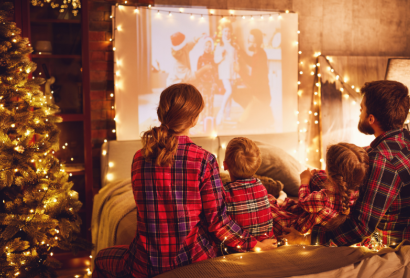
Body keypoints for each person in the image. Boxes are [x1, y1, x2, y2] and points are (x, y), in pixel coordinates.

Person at [93, 84, 277, 278]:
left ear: (161, 114)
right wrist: (255, 244)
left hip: (144, 264)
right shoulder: (204, 160)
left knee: (102, 258)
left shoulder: (139, 157)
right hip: (194, 262)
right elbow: (218, 222)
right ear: (194, 119)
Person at [284, 80, 410, 247]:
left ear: (371, 119)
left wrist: (307, 238)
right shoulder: (407, 139)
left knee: (322, 189)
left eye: (361, 109)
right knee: (321, 178)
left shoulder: (383, 161)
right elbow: (370, 152)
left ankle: (298, 220)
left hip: (397, 239)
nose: (359, 113)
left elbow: (360, 228)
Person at [269, 143, 369, 237]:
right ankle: (280, 202)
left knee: (270, 209)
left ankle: (278, 202)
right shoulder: (356, 192)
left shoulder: (323, 198)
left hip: (300, 230)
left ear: (330, 173)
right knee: (286, 204)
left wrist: (304, 180)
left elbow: (303, 201)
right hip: (313, 218)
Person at [222, 137, 275, 245]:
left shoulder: (224, 193)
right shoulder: (261, 187)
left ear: (225, 165)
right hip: (269, 242)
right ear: (258, 163)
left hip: (239, 248)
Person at [214, 22, 237, 127]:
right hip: (224, 71)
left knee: (230, 94)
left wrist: (236, 73)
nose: (227, 33)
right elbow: (216, 60)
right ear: (222, 32)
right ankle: (221, 111)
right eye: (225, 31)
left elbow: (235, 60)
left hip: (232, 72)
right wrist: (222, 55)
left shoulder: (233, 45)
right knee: (229, 90)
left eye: (229, 31)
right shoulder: (220, 44)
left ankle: (228, 115)